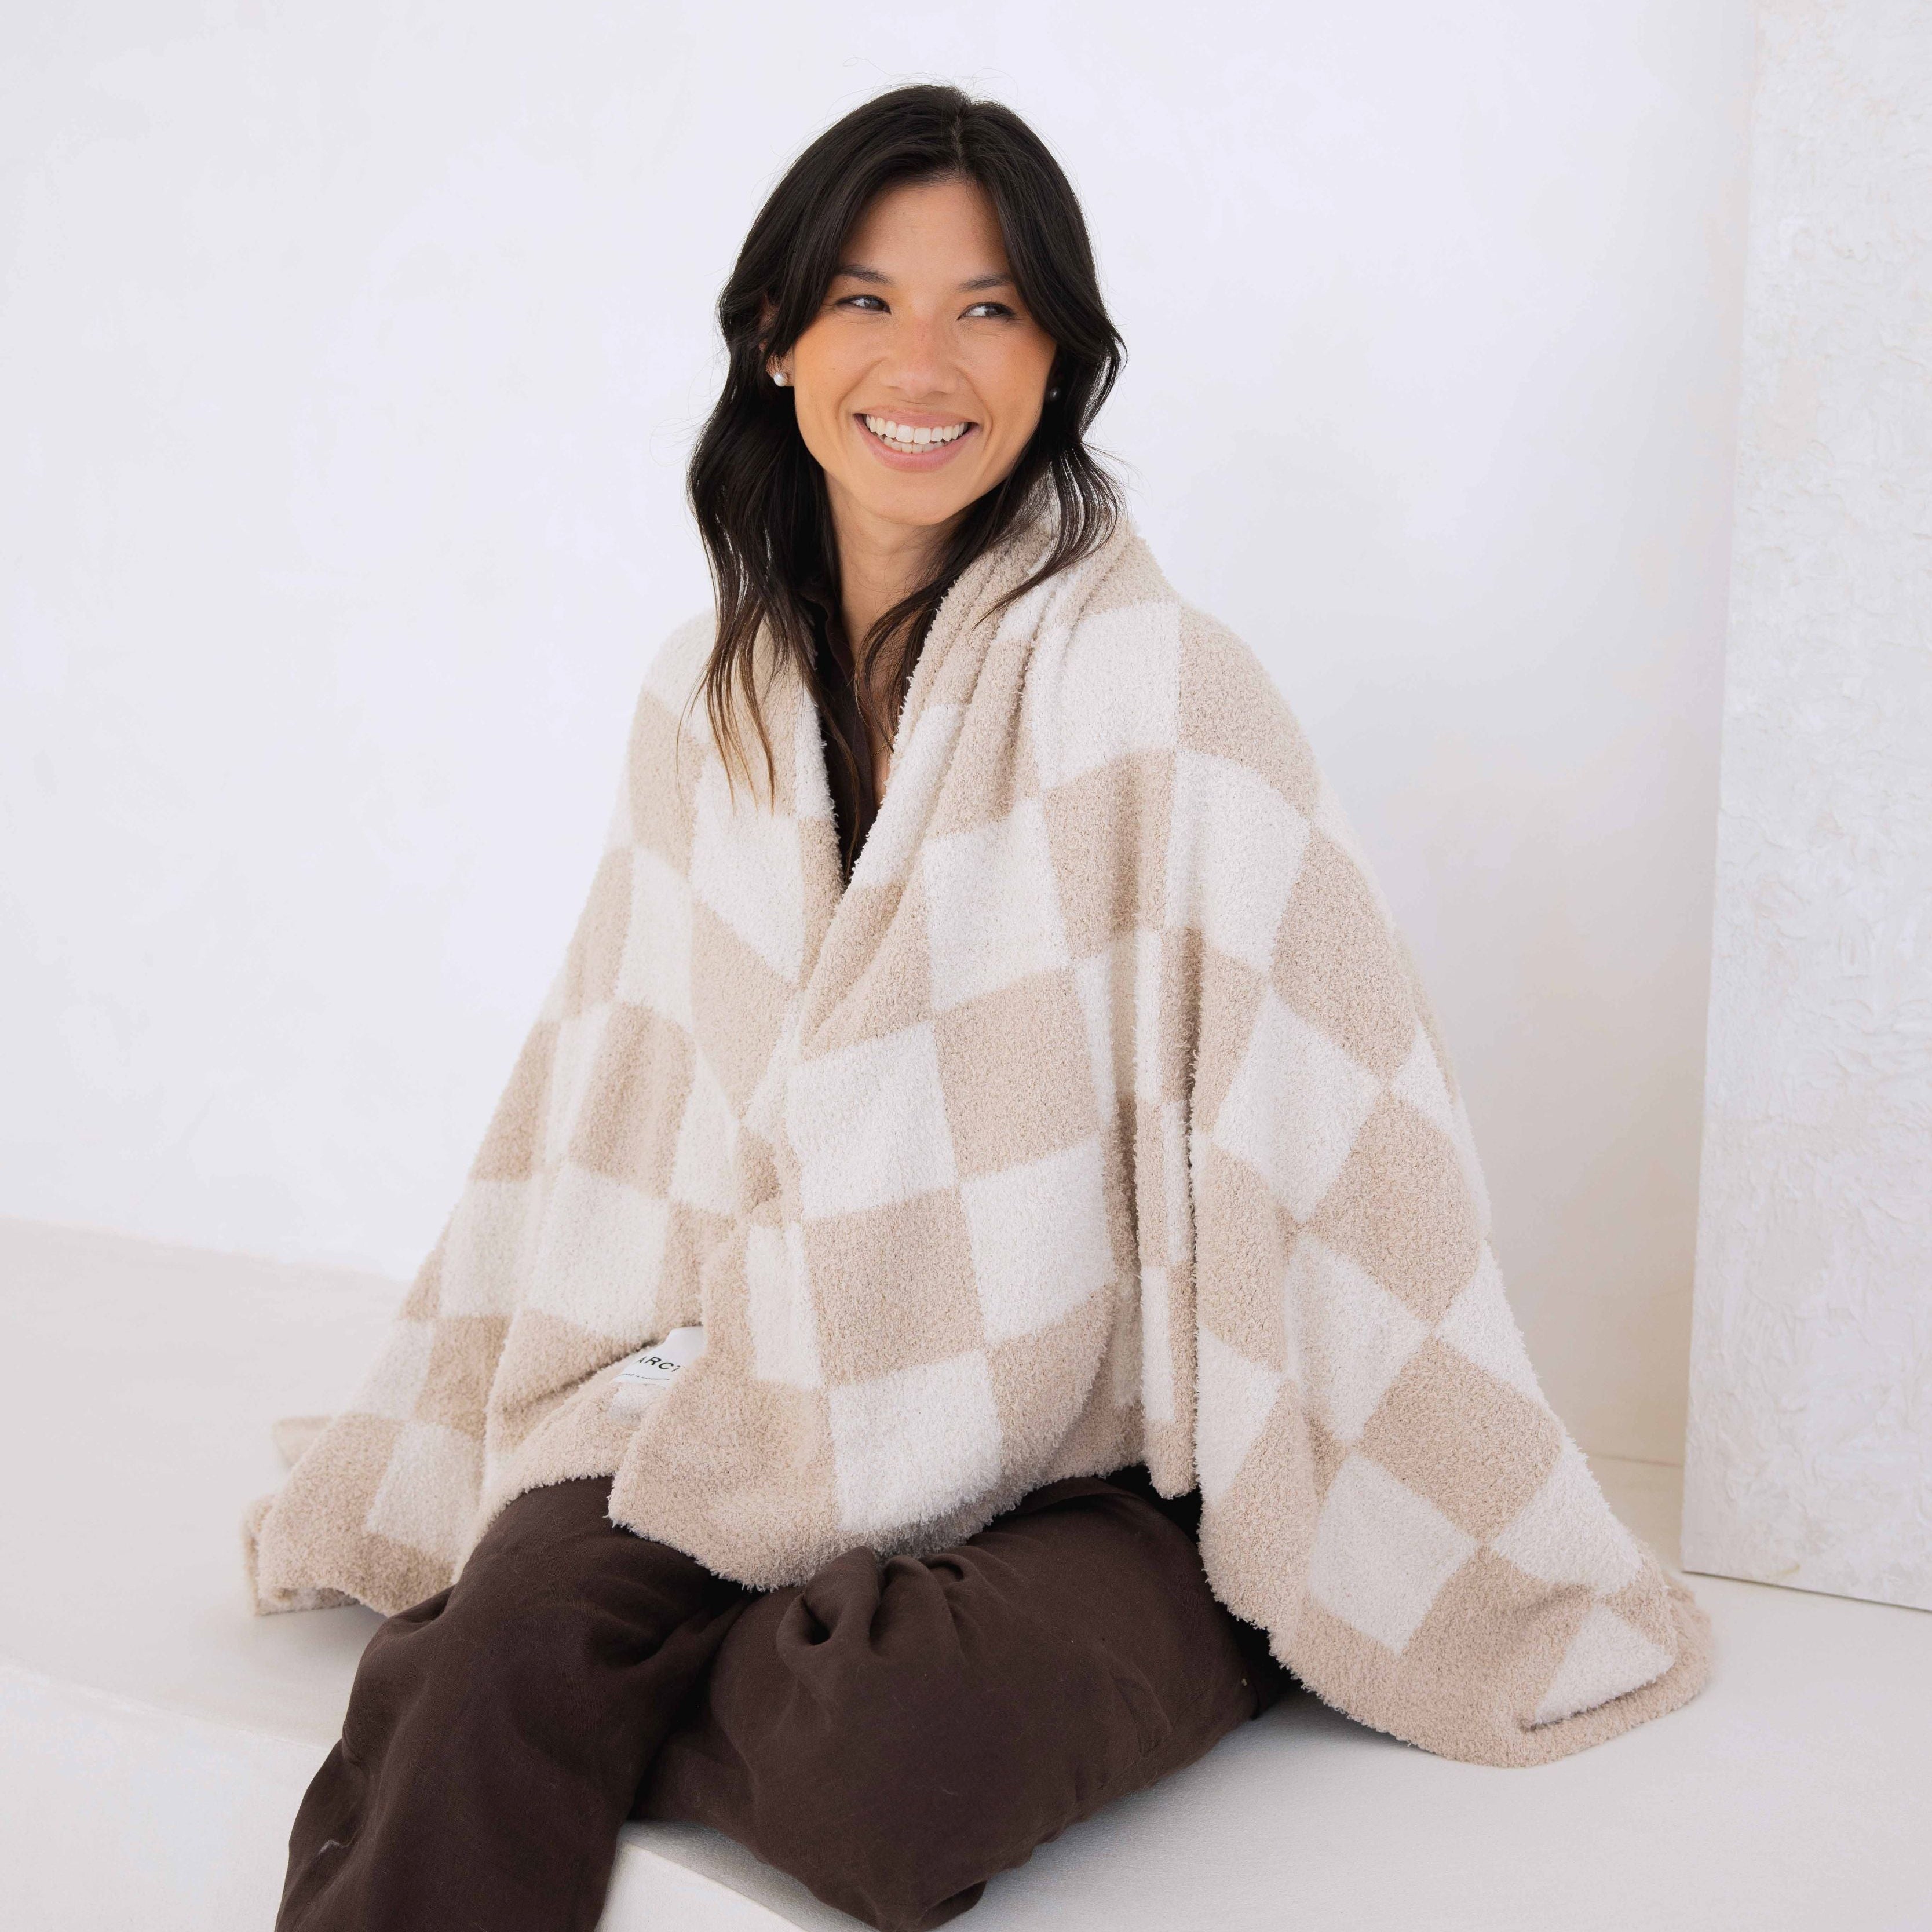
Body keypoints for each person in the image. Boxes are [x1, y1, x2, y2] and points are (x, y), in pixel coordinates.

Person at [265, 75, 1709, 1932]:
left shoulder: (1162, 688)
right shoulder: (702, 698)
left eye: (990, 306)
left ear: (1057, 364)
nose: (921, 358)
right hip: (757, 1385)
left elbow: (1332, 1098)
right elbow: (612, 1091)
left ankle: (1114, 1642)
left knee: (883, 1760)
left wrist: (1329, 1472)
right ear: (776, 340)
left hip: (1095, 1455)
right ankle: (591, 1662)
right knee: (506, 1630)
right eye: (865, 300)